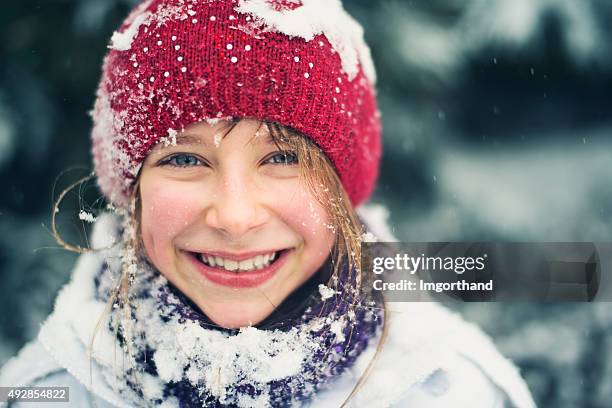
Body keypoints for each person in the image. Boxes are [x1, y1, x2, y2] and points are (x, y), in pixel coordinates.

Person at [0, 0, 536, 406]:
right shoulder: (47, 393)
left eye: (283, 158)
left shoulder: (452, 391)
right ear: (131, 192)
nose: (234, 218)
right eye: (184, 160)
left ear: (342, 194)